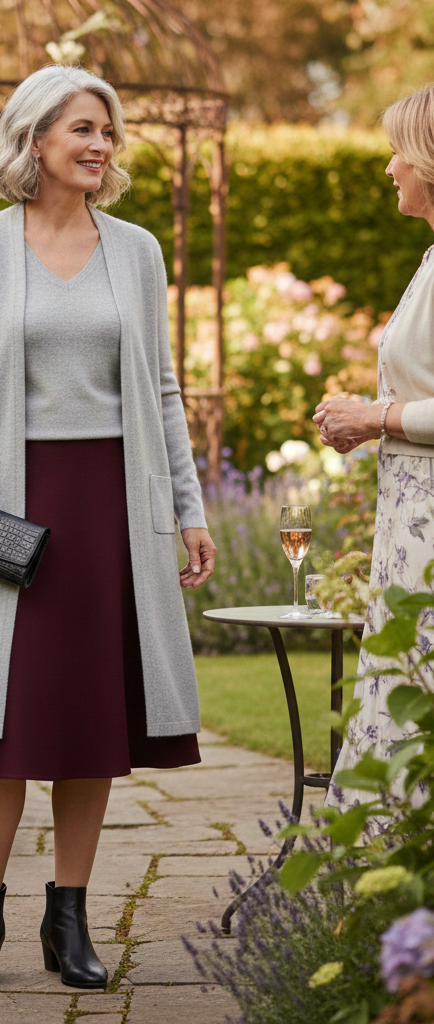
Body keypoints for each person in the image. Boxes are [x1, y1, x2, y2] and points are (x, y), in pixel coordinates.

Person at [0, 64, 216, 993]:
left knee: (89, 719)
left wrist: (189, 507)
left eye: (107, 132)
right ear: (35, 139)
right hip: (13, 503)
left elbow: (163, 388)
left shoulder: (136, 251)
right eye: (82, 130)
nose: (99, 146)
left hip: (111, 506)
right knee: (0, 724)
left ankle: (70, 918)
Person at [315, 84, 434, 808]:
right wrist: (361, 420)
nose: (390, 168)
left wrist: (377, 415)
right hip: (409, 519)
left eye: (399, 151)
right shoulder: (429, 260)